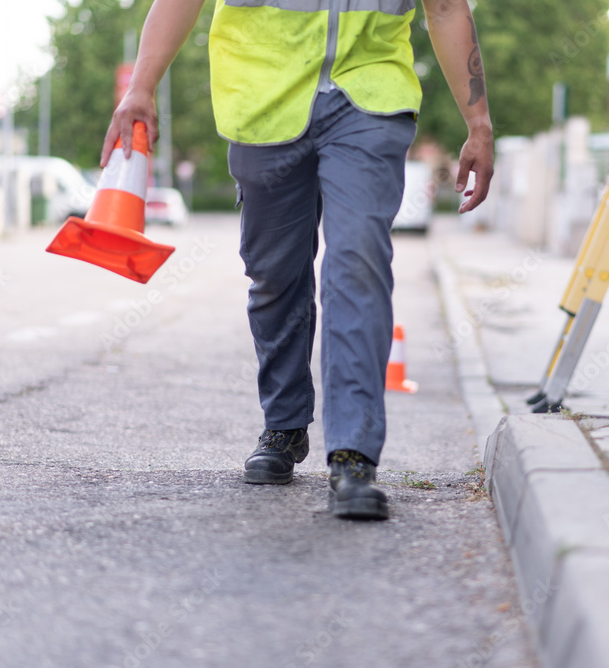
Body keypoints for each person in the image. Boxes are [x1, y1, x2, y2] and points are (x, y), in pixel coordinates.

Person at [102, 0, 493, 521]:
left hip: (371, 97)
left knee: (356, 262)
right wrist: (141, 85)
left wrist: (478, 121)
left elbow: (445, 8)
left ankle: (353, 454)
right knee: (275, 276)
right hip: (263, 100)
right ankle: (284, 424)